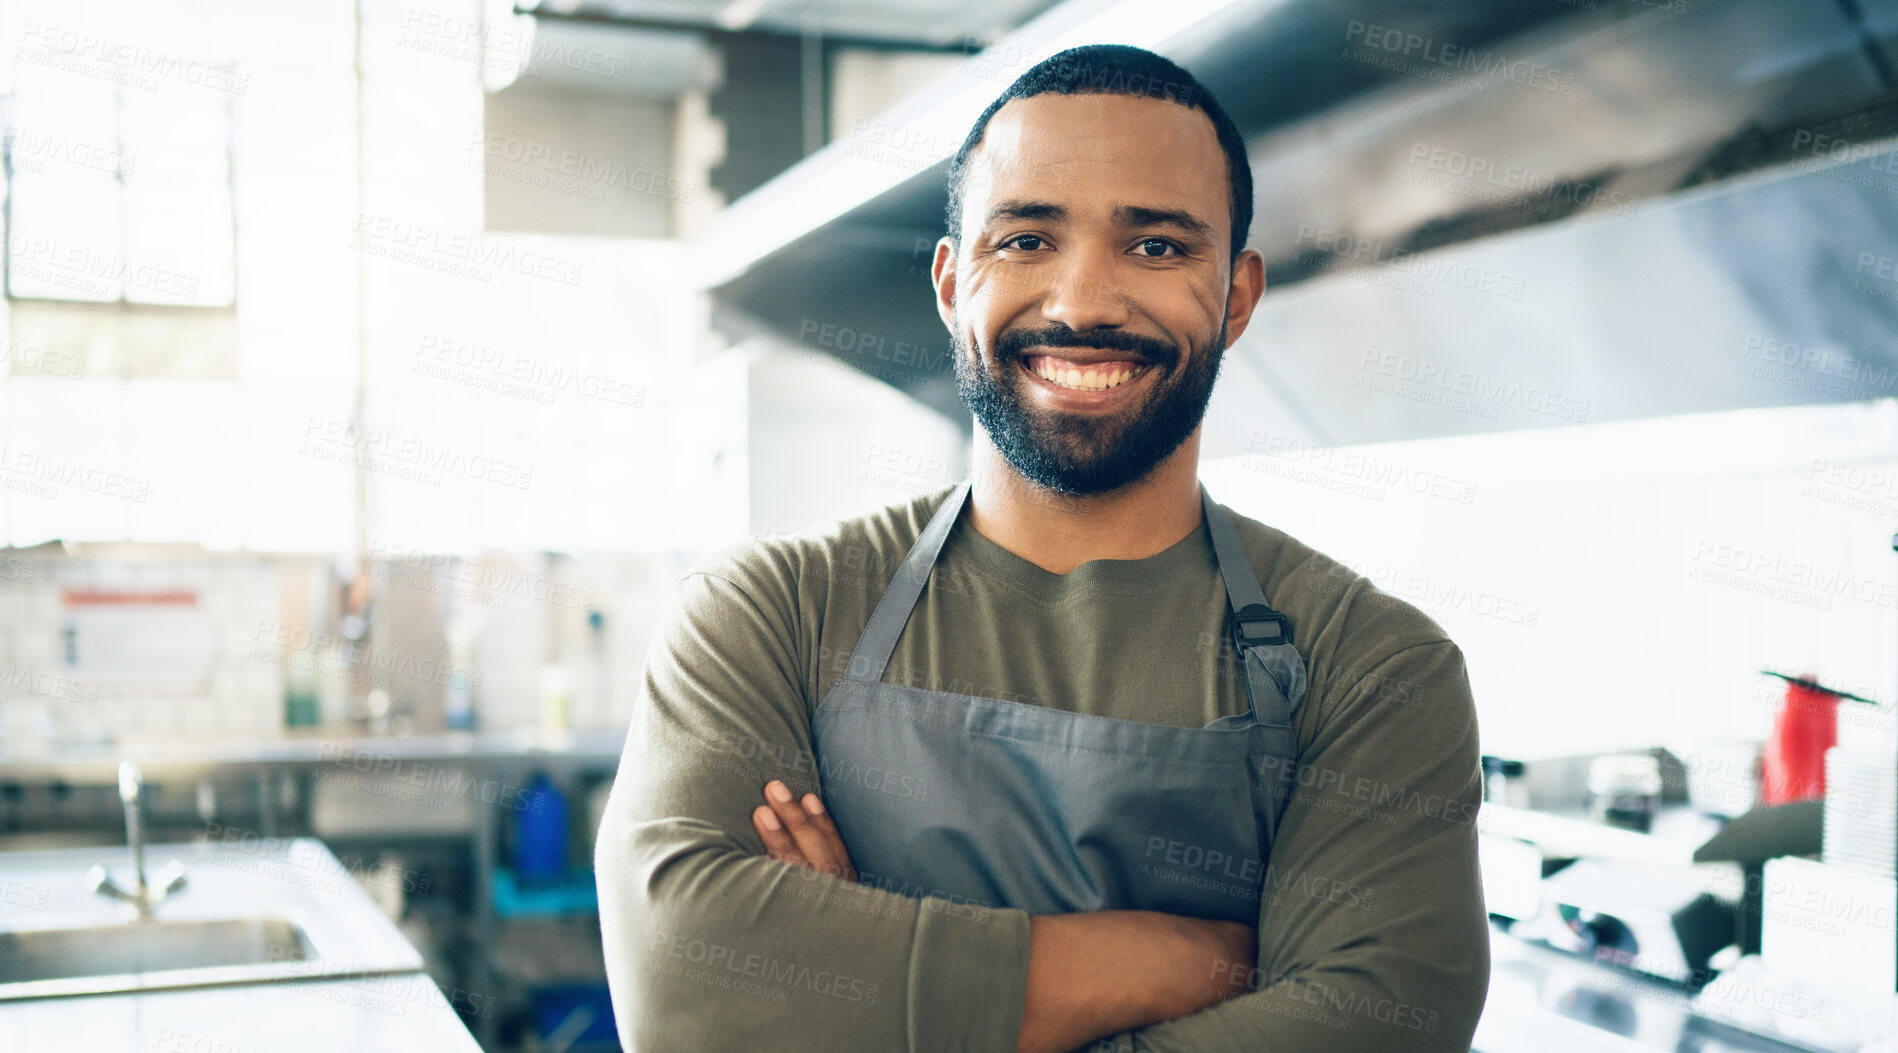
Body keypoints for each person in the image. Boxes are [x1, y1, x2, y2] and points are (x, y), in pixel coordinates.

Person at [596, 42, 1489, 1052]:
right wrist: (1187, 960)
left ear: (1236, 296)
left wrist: (866, 996)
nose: (1080, 303)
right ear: (948, 282)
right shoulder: (768, 614)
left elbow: (1380, 1027)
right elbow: (687, 998)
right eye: (1023, 240)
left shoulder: (1374, 669)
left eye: (1154, 246)